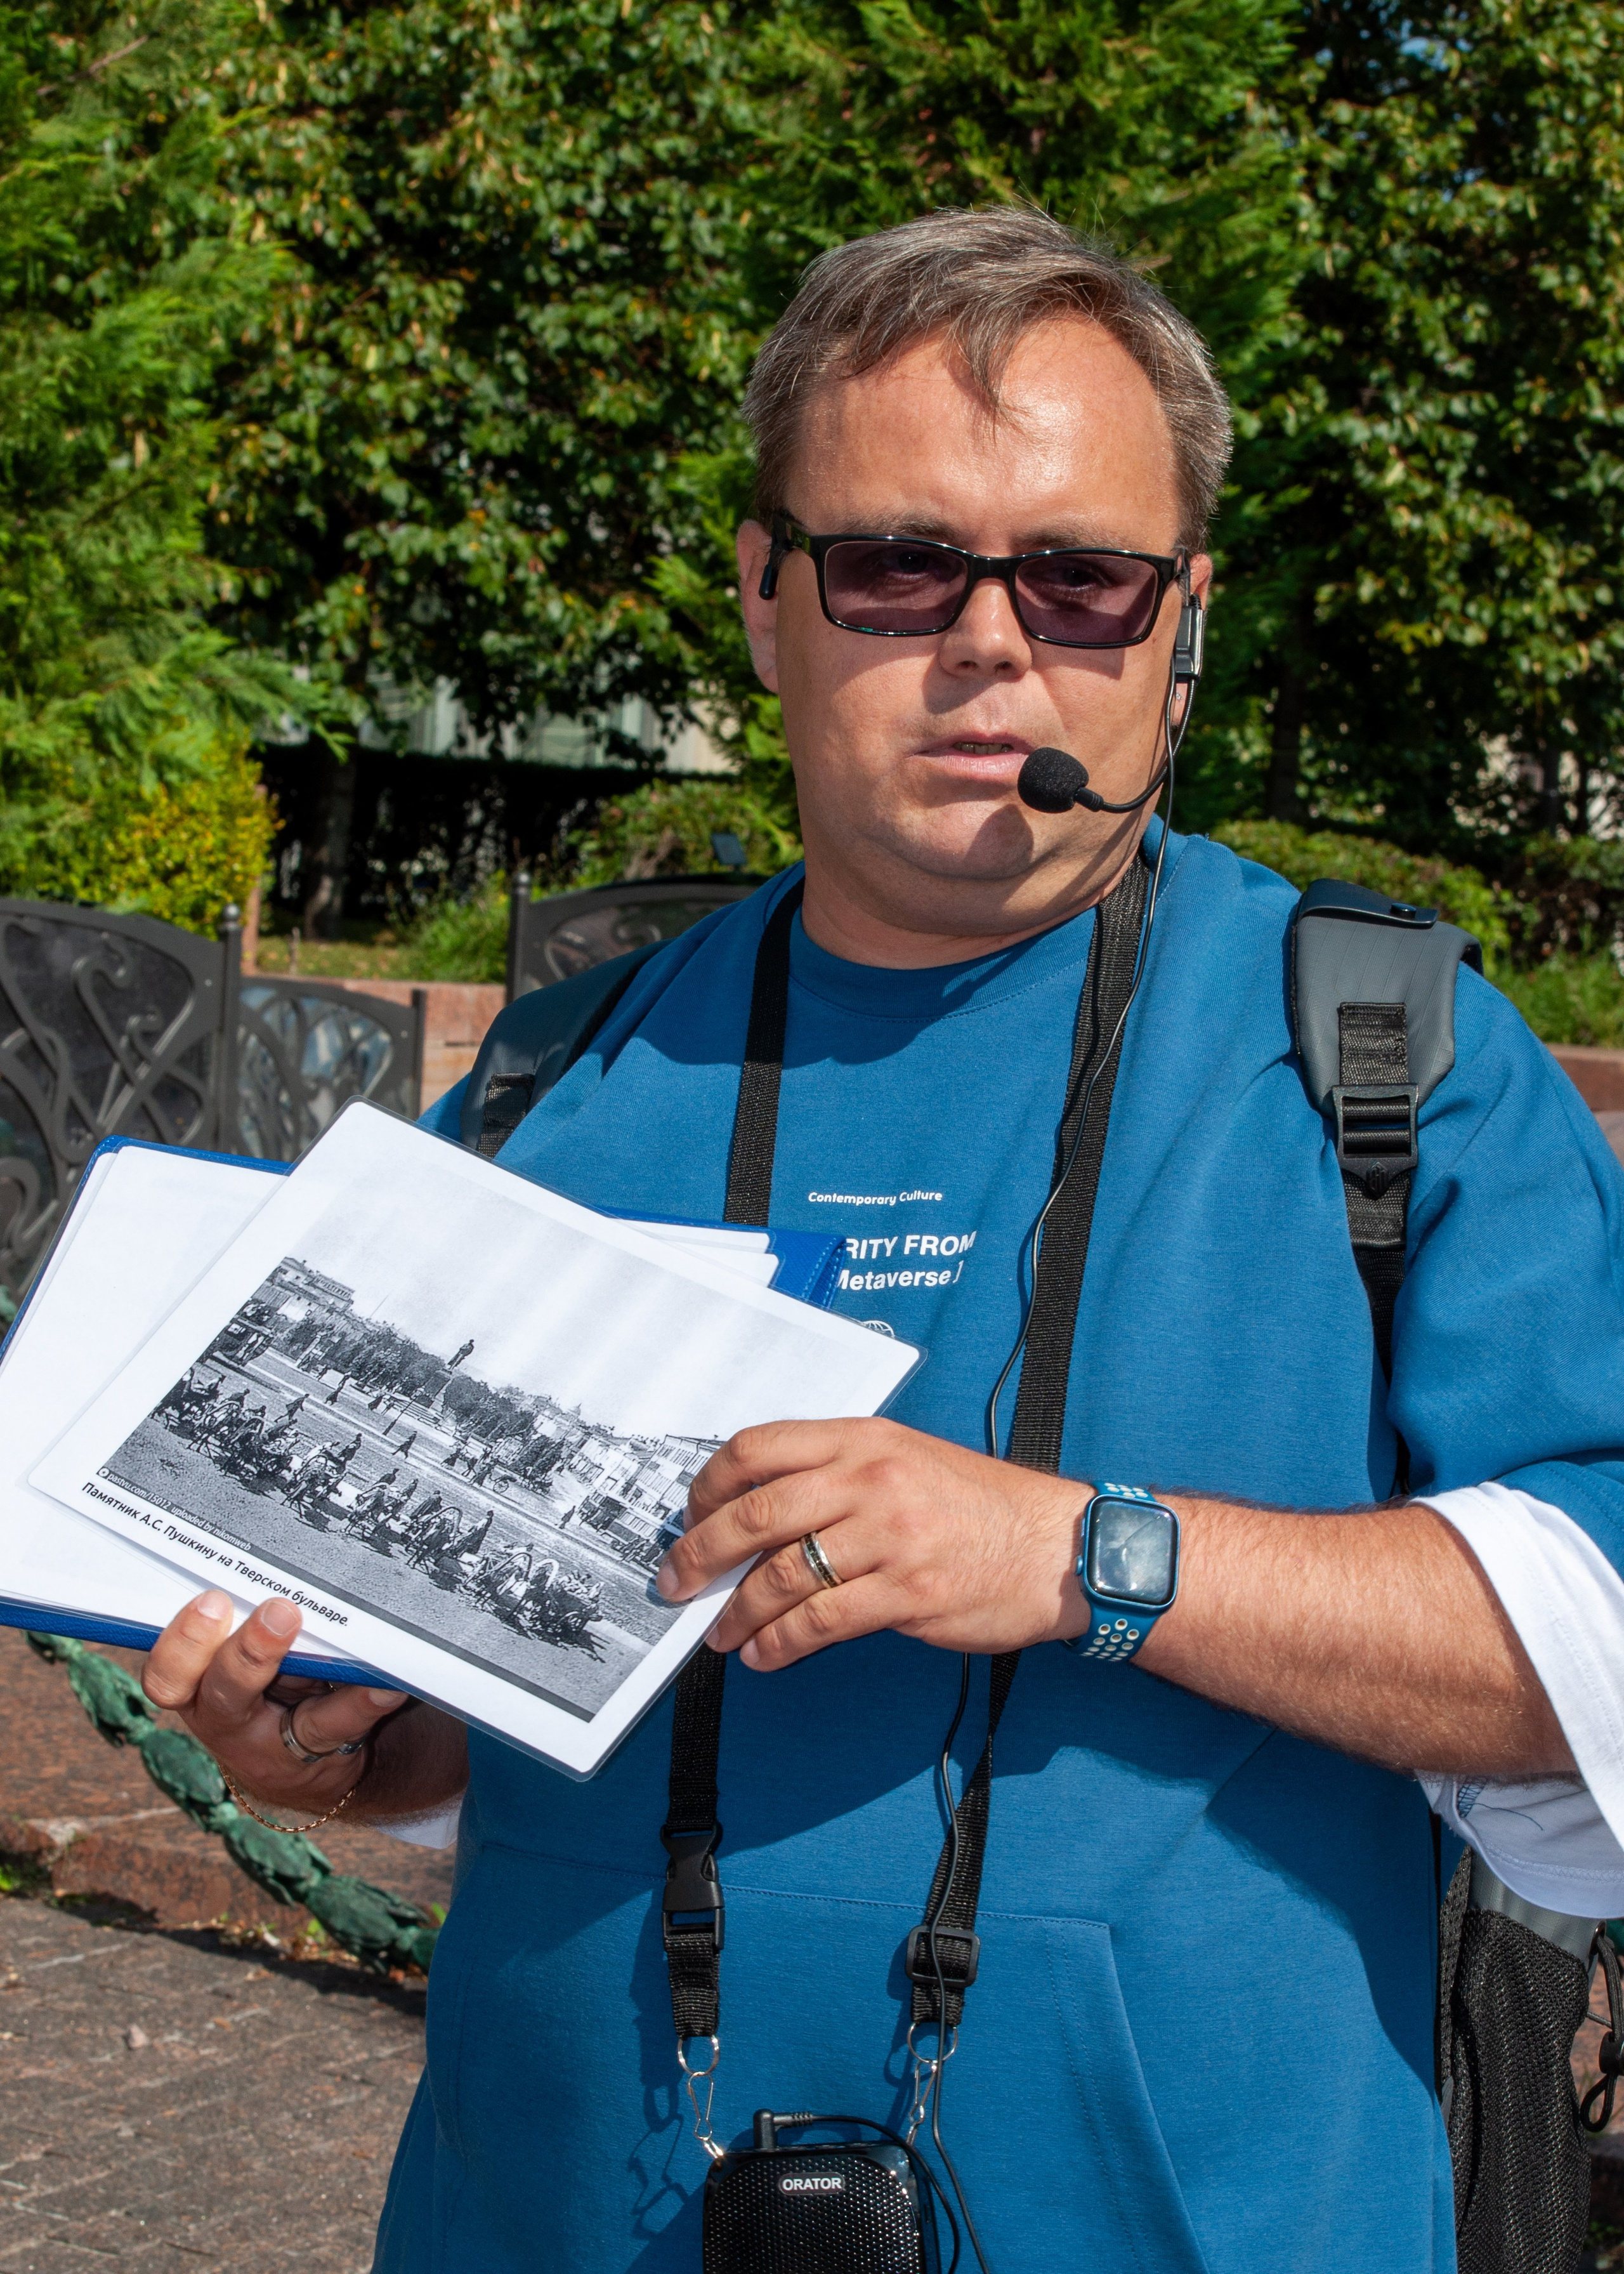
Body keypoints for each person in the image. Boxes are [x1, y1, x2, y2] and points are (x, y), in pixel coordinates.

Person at [140, 208, 1624, 2271]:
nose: (993, 644)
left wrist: (1081, 1555)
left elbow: (1598, 1647)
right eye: (899, 564)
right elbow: (488, 1719)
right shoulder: (547, 1088)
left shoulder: (1390, 1052)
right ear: (768, 599)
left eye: (1084, 578)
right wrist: (356, 1745)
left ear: (1183, 620)